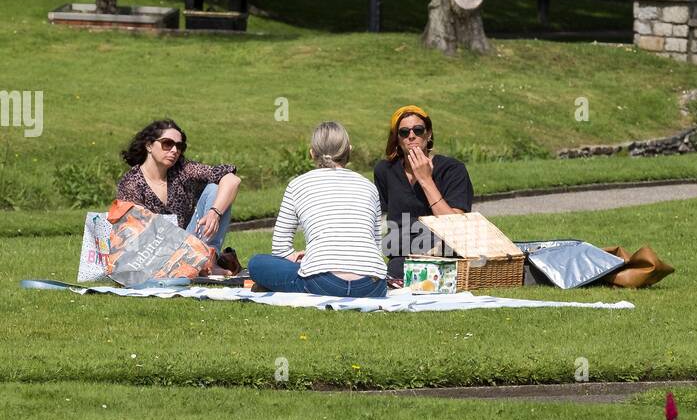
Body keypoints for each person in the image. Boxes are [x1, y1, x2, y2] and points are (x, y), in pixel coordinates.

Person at [248, 121, 388, 297]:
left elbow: (280, 248)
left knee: (256, 263)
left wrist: (297, 258)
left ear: (312, 152)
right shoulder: (368, 187)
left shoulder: (297, 185)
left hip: (324, 283)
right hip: (373, 285)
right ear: (349, 151)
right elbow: (375, 246)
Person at [117, 119, 243, 273]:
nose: (174, 150)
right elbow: (134, 235)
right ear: (149, 145)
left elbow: (232, 179)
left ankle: (209, 259)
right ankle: (202, 265)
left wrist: (214, 212)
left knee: (215, 188)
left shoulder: (182, 169)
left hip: (189, 244)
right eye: (167, 143)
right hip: (150, 251)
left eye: (179, 146)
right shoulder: (131, 183)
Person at [373, 104, 473, 284]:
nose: (411, 136)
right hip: (400, 262)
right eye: (404, 132)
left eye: (418, 130)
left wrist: (425, 179)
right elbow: (378, 221)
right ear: (397, 139)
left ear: (428, 134)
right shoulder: (385, 171)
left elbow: (455, 228)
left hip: (443, 260)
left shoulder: (452, 170)